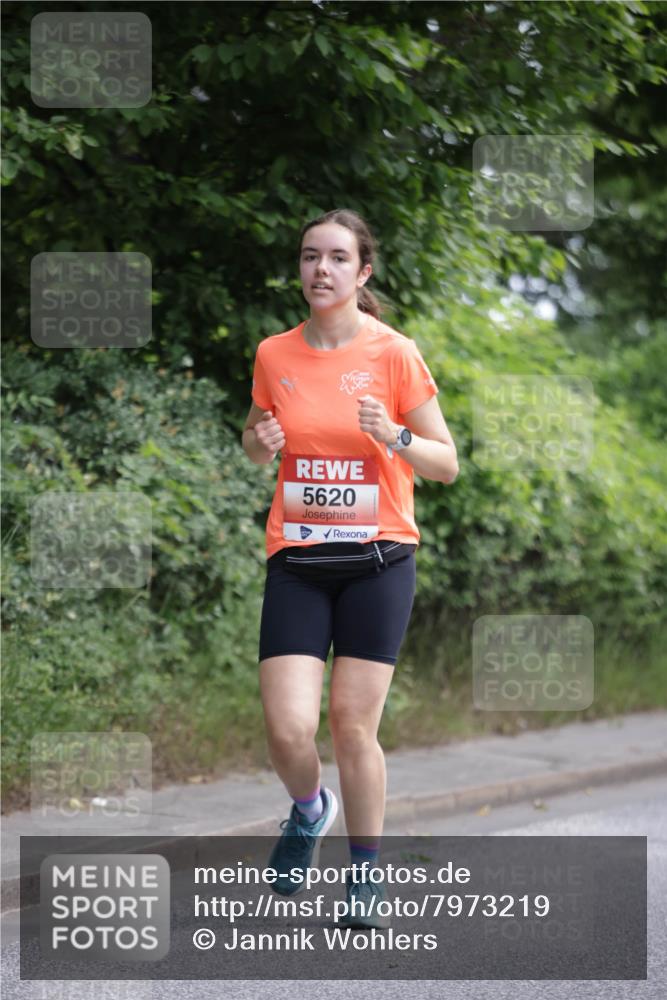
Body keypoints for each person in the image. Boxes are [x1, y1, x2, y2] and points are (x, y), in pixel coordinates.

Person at [241, 208, 458, 929]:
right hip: (299, 560)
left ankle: (364, 873)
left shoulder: (394, 352)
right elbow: (253, 437)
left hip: (378, 560)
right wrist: (259, 441)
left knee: (349, 724)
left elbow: (445, 464)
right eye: (309, 256)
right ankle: (309, 812)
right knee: (286, 728)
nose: (320, 269)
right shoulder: (274, 353)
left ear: (361, 273)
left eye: (337, 258)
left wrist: (393, 435)